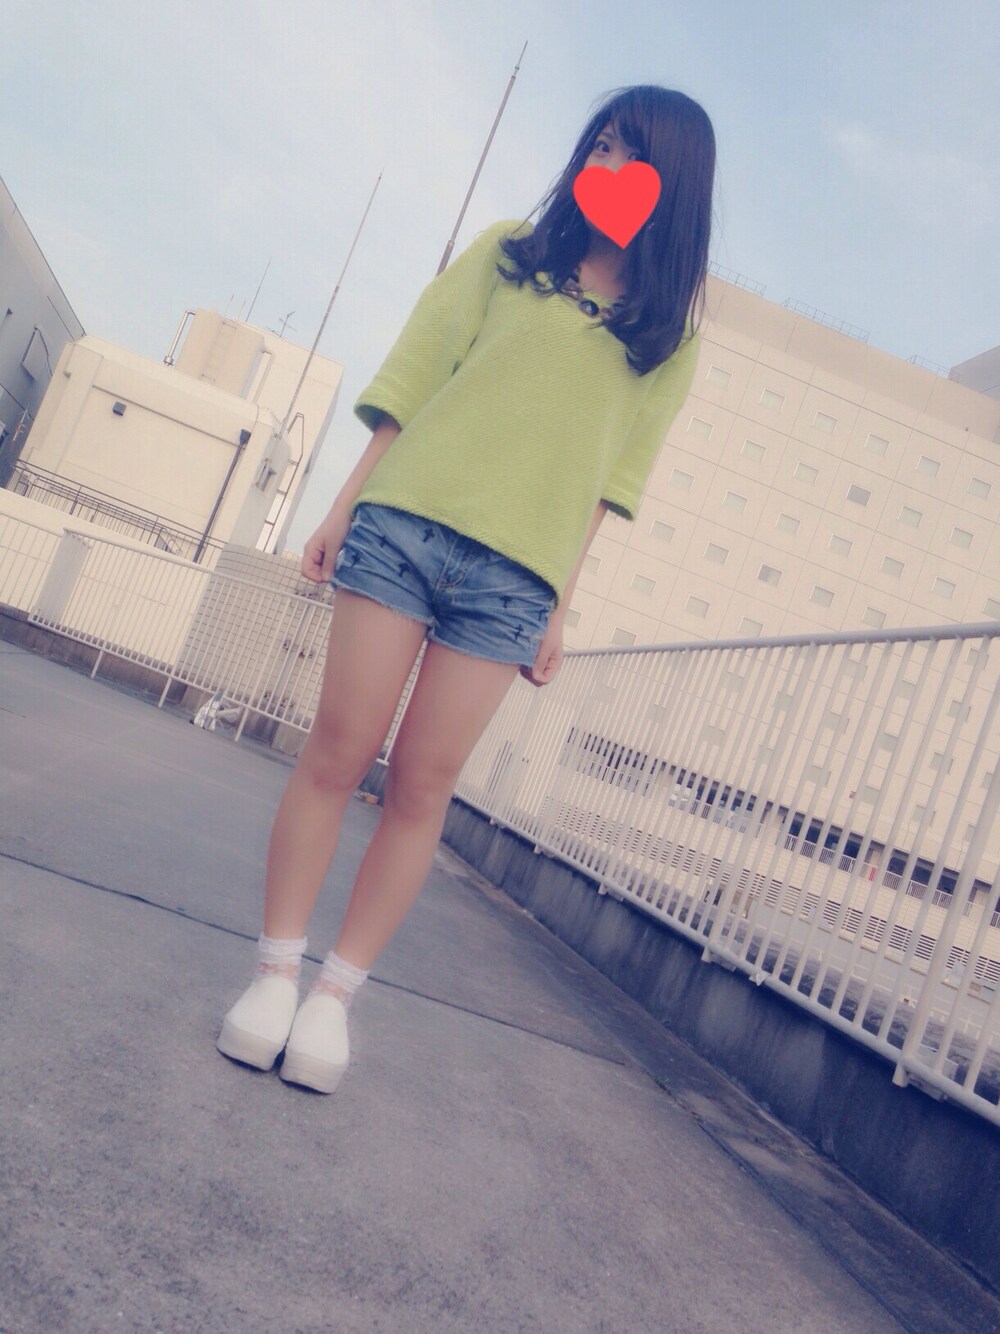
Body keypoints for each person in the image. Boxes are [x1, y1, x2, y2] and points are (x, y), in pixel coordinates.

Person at [217, 84, 716, 1093]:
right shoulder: (507, 256)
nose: (609, 165)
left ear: (675, 186)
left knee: (420, 786)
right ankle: (273, 975)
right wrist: (342, 506)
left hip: (514, 582)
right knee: (338, 751)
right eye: (601, 144)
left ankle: (333, 998)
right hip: (404, 524)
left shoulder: (666, 339)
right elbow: (413, 380)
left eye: (633, 154)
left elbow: (609, 484)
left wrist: (559, 606)